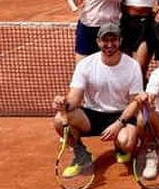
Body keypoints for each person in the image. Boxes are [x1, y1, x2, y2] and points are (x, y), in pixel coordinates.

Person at [52, 23, 145, 174]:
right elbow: (75, 98)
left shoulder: (132, 66)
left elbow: (136, 101)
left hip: (121, 114)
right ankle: (81, 155)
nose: (109, 44)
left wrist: (119, 123)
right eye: (105, 40)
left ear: (120, 41)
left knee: (127, 143)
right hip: (92, 115)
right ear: (98, 42)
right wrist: (64, 104)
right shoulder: (85, 65)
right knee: (59, 119)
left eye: (113, 40)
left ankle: (120, 148)